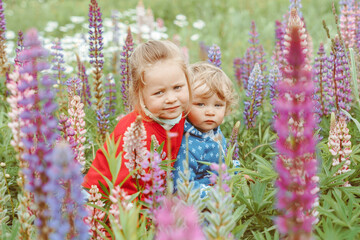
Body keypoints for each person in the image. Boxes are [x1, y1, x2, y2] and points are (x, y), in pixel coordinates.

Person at [83, 40, 192, 197]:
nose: (171, 99)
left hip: (149, 193)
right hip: (101, 199)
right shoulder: (135, 134)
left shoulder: (178, 114)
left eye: (177, 88)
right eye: (159, 92)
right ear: (139, 94)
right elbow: (125, 190)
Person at [173, 62, 237, 197]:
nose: (210, 112)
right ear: (184, 104)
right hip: (196, 208)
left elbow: (224, 163)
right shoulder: (186, 143)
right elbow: (182, 186)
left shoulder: (214, 132)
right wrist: (213, 194)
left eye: (218, 105)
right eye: (200, 104)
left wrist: (236, 170)